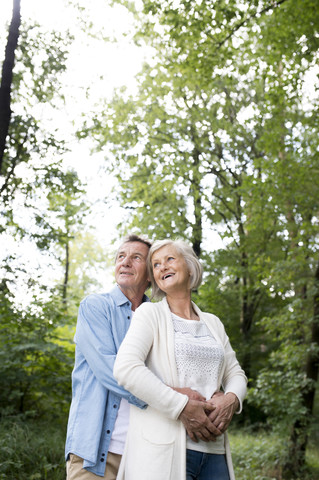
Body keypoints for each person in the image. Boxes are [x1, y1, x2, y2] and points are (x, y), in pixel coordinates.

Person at [114, 239, 247, 480]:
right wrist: (181, 405)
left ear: (189, 266)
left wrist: (231, 399)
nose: (162, 267)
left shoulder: (213, 323)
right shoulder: (149, 314)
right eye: (155, 265)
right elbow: (126, 369)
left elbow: (236, 374)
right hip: (162, 451)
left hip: (214, 450)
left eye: (170, 259)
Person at [65, 234, 152, 480]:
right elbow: (112, 370)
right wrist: (170, 398)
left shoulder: (158, 318)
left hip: (145, 452)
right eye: (120, 257)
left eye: (136, 258)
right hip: (94, 453)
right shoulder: (95, 307)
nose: (125, 262)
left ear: (150, 274)